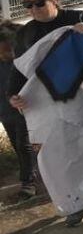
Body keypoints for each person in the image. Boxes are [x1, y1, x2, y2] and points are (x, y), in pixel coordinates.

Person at [8, 0, 83, 227]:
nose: (34, 9)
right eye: (28, 5)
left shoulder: (77, 17)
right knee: (59, 153)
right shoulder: (25, 34)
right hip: (48, 103)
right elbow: (19, 69)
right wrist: (13, 95)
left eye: (39, 2)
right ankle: (77, 203)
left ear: (55, 0)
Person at [0, 20, 36, 202]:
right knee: (17, 145)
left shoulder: (20, 63)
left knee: (24, 144)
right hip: (5, 112)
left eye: (8, 49)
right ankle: (33, 171)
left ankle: (27, 183)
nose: (7, 53)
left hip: (23, 110)